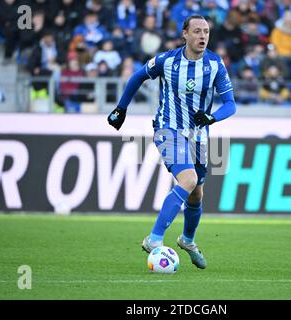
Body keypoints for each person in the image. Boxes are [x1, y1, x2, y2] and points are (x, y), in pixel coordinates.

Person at [107, 15, 236, 269]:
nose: (202, 36)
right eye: (197, 31)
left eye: (206, 32)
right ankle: (154, 239)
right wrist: (121, 109)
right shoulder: (167, 60)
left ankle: (187, 240)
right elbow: (137, 77)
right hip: (168, 129)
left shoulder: (215, 64)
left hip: (199, 135)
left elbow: (231, 104)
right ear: (185, 34)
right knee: (187, 180)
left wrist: (212, 117)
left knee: (196, 194)